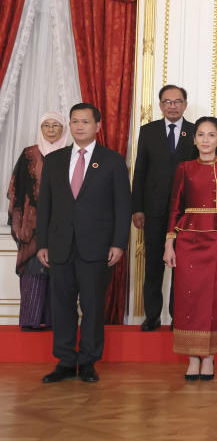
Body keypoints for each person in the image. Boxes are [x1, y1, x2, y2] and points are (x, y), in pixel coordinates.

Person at [36, 103, 131, 383]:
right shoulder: (54, 160)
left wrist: (119, 243)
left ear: (97, 126)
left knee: (92, 305)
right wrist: (43, 243)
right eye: (75, 121)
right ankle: (65, 360)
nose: (79, 126)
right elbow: (45, 207)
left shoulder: (112, 161)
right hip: (60, 245)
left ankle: (88, 361)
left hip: (97, 246)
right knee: (62, 304)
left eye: (85, 122)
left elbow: (122, 206)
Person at [163, 117, 217, 380]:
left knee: (215, 299)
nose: (206, 140)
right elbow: (174, 206)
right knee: (188, 297)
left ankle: (208, 356)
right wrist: (169, 243)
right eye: (201, 135)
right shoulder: (184, 168)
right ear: (194, 139)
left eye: (211, 135)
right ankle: (191, 357)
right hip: (188, 239)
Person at [131, 85, 195, 331]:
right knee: (153, 266)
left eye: (177, 101)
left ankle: (178, 316)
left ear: (185, 105)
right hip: (154, 210)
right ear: (160, 105)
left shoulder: (195, 131)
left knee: (183, 266)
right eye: (167, 102)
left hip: (187, 212)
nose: (172, 106)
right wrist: (138, 208)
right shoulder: (148, 131)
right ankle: (152, 316)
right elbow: (140, 172)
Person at [7, 112, 69, 331]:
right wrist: (20, 219)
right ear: (40, 128)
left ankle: (55, 322)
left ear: (64, 129)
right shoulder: (28, 154)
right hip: (31, 225)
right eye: (46, 125)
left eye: (56, 125)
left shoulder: (70, 154)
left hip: (62, 223)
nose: (51, 130)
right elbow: (16, 190)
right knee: (33, 270)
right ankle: (31, 320)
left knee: (59, 273)